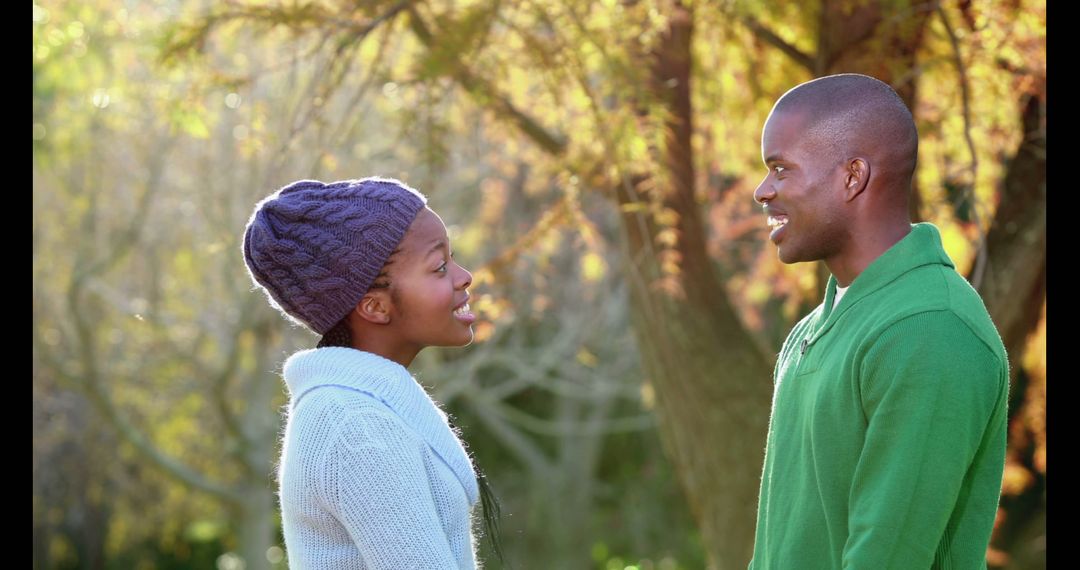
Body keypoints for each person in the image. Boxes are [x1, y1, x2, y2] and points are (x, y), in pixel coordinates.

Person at [748, 74, 1009, 569]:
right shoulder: (813, 330)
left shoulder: (931, 330)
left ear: (853, 176)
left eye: (781, 170)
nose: (763, 191)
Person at [242, 177, 500, 569]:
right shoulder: (355, 425)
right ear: (375, 308)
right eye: (439, 266)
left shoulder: (361, 408)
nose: (464, 276)